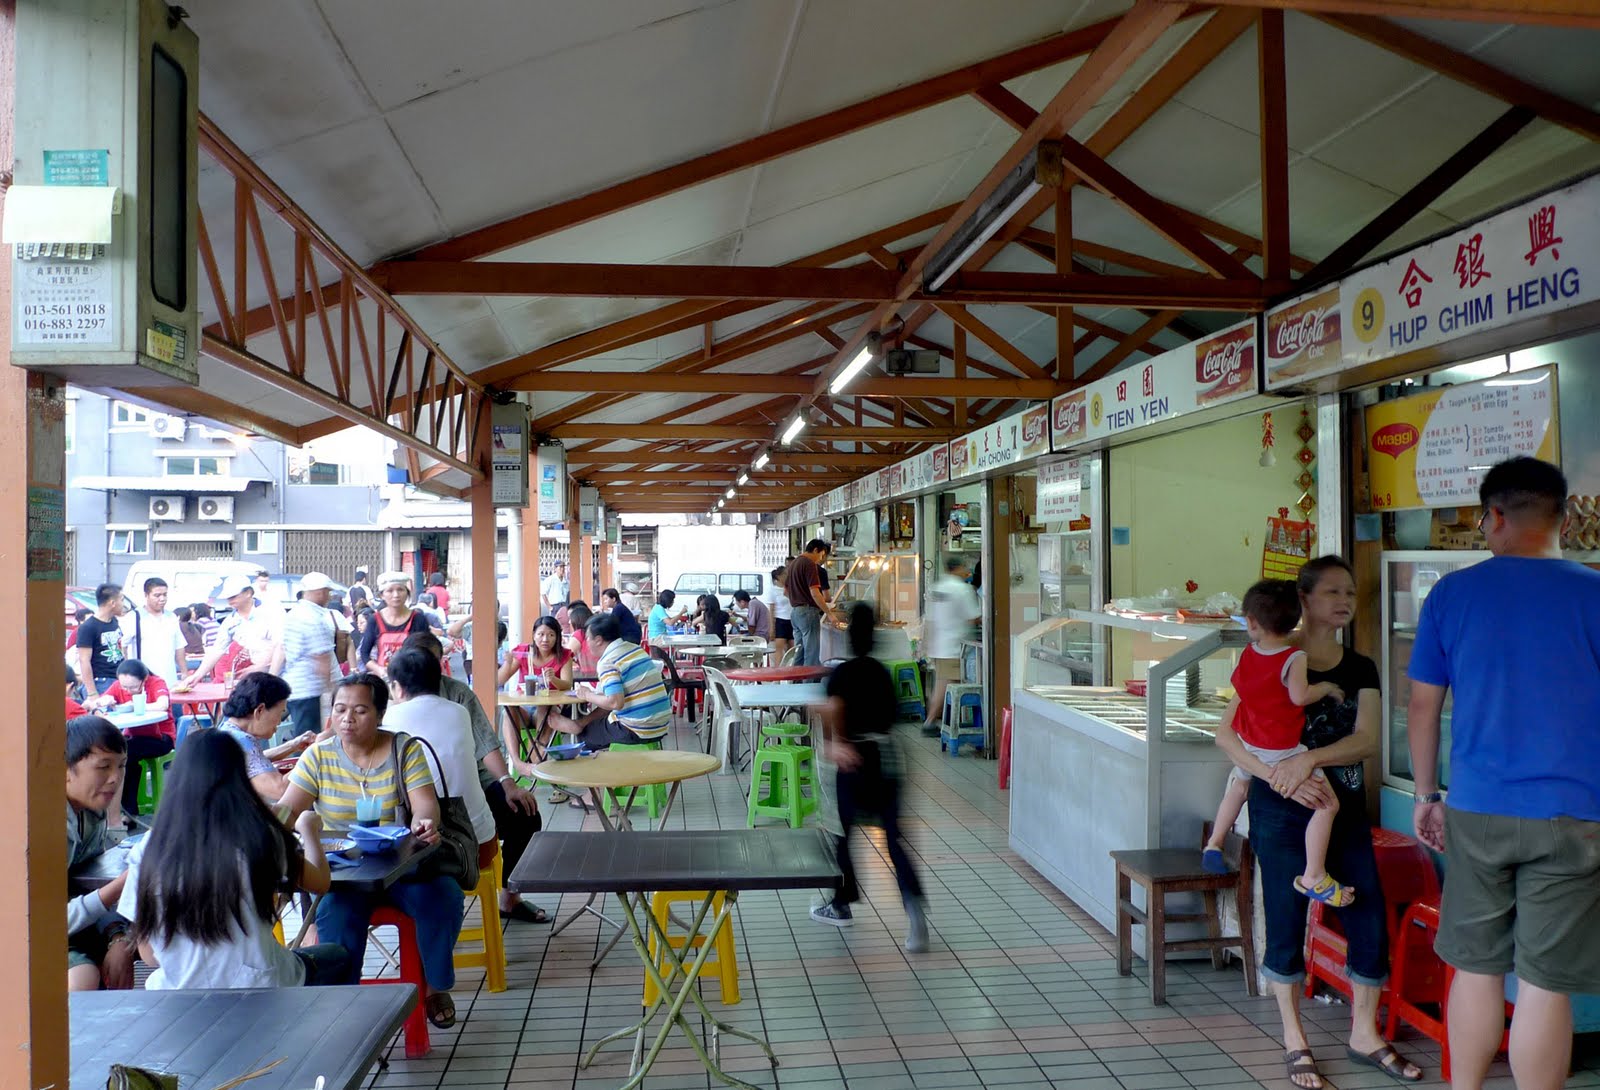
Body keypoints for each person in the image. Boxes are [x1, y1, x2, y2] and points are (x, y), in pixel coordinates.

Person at [1408, 456, 1600, 1090]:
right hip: (1573, 816)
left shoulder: (1452, 594)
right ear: (1565, 517)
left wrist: (1427, 794)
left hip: (1478, 808)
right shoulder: (1594, 592)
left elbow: (1422, 706)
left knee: (1476, 966)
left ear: (1493, 517)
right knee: (1546, 981)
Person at [1215, 556, 1421, 1088]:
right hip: (1279, 810)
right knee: (1284, 915)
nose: (1345, 601)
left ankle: (1364, 1034)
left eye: (1350, 592)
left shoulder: (1360, 668)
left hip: (1342, 809)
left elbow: (1368, 740)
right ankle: (1293, 1036)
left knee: (1366, 912)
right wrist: (1276, 771)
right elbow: (1226, 735)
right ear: (1302, 601)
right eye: (1332, 591)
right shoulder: (1270, 656)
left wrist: (1308, 760)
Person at [279, 673, 464, 1027]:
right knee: (335, 915)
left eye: (360, 710)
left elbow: (425, 805)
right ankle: (343, 1003)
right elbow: (287, 812)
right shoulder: (319, 756)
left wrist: (425, 822)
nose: (347, 718)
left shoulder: (403, 748)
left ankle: (435, 986)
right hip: (345, 876)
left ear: (380, 714)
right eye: (340, 709)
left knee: (444, 896)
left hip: (402, 869)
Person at [118, 731, 349, 988]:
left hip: (179, 992)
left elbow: (149, 955)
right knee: (336, 956)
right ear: (239, 778)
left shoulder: (148, 847)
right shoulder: (258, 834)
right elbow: (320, 882)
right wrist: (308, 829)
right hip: (261, 987)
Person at [1204, 579, 1351, 907]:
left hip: (1248, 741)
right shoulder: (1293, 657)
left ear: (1252, 623)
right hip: (1281, 750)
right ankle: (1314, 874)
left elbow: (1243, 692)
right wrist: (1324, 687)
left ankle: (1214, 842)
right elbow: (1299, 696)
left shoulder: (1247, 654)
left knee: (1238, 788)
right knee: (1329, 805)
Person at [401, 632, 548, 925]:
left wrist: (508, 783)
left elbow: (485, 744)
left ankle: (509, 897)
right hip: (411, 794)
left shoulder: (457, 694)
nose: (422, 666)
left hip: (470, 788)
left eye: (429, 659)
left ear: (440, 662)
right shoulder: (392, 696)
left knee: (525, 815)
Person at [810, 603, 928, 952]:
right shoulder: (881, 672)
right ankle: (915, 911)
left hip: (854, 760)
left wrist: (835, 745)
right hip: (887, 758)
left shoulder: (840, 675)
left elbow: (834, 710)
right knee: (894, 839)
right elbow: (893, 716)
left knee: (843, 835)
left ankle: (841, 903)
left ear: (848, 636)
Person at [383, 648, 496, 873]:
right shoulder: (459, 712)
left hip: (435, 851)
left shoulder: (389, 719)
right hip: (481, 842)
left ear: (398, 686)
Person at [65, 715, 135, 992]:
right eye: (103, 767)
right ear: (64, 770)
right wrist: (120, 886)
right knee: (83, 978)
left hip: (78, 926)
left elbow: (85, 890)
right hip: (33, 937)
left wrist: (118, 937)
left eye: (121, 766)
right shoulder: (44, 826)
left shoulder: (91, 814)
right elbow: (37, 922)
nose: (115, 778)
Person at [542, 613, 670, 749]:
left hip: (636, 729)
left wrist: (587, 695)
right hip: (660, 725)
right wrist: (593, 697)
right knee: (605, 708)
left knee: (585, 737)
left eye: (587, 639)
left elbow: (615, 702)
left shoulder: (608, 661)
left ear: (598, 640)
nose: (587, 644)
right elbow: (614, 699)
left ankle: (600, 763)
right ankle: (580, 723)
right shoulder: (635, 649)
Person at [84, 658, 176, 823]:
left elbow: (163, 704)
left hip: (161, 738)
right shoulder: (120, 686)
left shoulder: (156, 683)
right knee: (117, 752)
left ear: (144, 679)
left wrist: (134, 704)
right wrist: (102, 702)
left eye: (133, 687)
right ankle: (121, 808)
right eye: (124, 686)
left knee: (125, 753)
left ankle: (127, 810)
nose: (128, 690)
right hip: (134, 737)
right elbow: (103, 699)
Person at [217, 673, 317, 804]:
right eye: (280, 713)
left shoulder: (227, 729)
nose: (280, 721)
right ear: (260, 711)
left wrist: (293, 745)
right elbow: (280, 789)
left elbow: (254, 760)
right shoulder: (242, 740)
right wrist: (315, 754)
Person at [182, 578, 282, 687]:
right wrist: (197, 676)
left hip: (279, 675)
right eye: (228, 597)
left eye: (233, 596)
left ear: (248, 593)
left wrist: (270, 674)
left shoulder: (272, 612)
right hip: (256, 676)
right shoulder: (231, 621)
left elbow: (281, 646)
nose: (230, 600)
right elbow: (217, 650)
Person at [920, 557, 981, 736]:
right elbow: (972, 618)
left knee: (943, 684)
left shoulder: (937, 587)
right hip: (953, 646)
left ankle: (942, 720)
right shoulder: (962, 589)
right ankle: (930, 722)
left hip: (938, 644)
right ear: (958, 568)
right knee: (945, 685)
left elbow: (930, 617)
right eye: (964, 568)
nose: (966, 572)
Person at [274, 572, 338, 740]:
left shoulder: (294, 614)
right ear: (320, 592)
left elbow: (282, 649)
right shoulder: (313, 618)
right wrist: (332, 691)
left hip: (295, 687)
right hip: (309, 688)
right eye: (327, 592)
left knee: (303, 737)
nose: (329, 597)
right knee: (308, 741)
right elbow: (322, 658)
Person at [357, 571, 430, 673]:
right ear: (382, 595)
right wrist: (378, 669)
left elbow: (427, 651)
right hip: (384, 679)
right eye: (390, 591)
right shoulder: (375, 620)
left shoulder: (418, 619)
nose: (396, 595)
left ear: (407, 593)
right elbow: (364, 653)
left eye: (400, 590)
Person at [119, 577, 187, 686]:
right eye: (157, 595)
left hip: (170, 682)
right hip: (144, 682)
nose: (162, 599)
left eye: (165, 594)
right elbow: (122, 647)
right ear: (146, 595)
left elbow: (179, 647)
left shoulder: (171, 617)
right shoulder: (133, 617)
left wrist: (184, 674)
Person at [784, 539, 838, 667]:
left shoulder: (794, 563)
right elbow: (815, 593)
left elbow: (785, 591)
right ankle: (809, 684)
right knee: (812, 653)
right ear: (815, 550)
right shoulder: (810, 564)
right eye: (821, 555)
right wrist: (829, 613)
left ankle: (795, 683)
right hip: (808, 612)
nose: (821, 559)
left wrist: (799, 596)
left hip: (795, 613)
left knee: (799, 652)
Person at [76, 583, 127, 696]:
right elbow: (84, 661)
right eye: (122, 600)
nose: (124, 604)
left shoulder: (114, 621)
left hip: (118, 679)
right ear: (112, 603)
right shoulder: (88, 627)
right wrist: (92, 693)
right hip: (100, 682)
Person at [768, 565, 793, 661]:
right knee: (779, 648)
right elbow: (771, 610)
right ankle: (779, 670)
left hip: (792, 620)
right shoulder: (773, 590)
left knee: (793, 648)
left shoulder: (790, 588)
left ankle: (792, 670)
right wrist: (772, 628)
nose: (787, 576)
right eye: (785, 574)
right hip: (780, 620)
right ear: (779, 576)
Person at [566, 602, 599, 674]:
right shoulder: (595, 631)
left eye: (570, 618)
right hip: (600, 676)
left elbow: (565, 656)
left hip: (590, 679)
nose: (569, 622)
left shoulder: (579, 634)